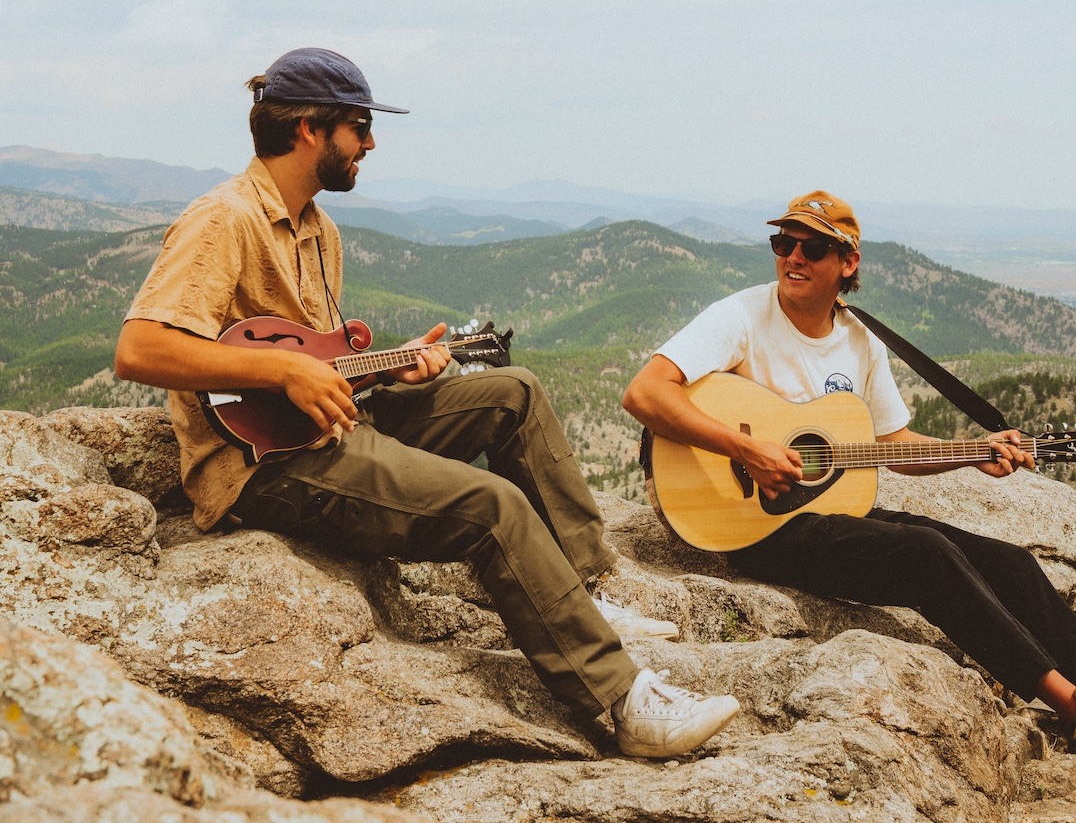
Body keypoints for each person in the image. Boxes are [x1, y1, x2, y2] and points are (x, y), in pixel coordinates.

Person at [114, 47, 740, 760]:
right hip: (269, 464)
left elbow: (318, 365)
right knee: (491, 506)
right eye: (359, 126)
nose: (371, 143)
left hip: (338, 422)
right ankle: (626, 703)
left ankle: (579, 590)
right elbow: (140, 349)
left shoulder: (319, 229)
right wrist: (283, 372)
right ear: (310, 130)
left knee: (514, 392)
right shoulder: (225, 219)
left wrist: (388, 369)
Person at [623, 189, 1076, 768]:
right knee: (926, 554)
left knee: (1010, 562)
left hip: (832, 515)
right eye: (783, 243)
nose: (792, 257)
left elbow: (893, 446)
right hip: (754, 526)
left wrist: (971, 453)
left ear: (847, 263)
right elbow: (644, 393)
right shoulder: (741, 316)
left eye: (812, 248)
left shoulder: (860, 340)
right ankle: (1075, 711)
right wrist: (746, 448)